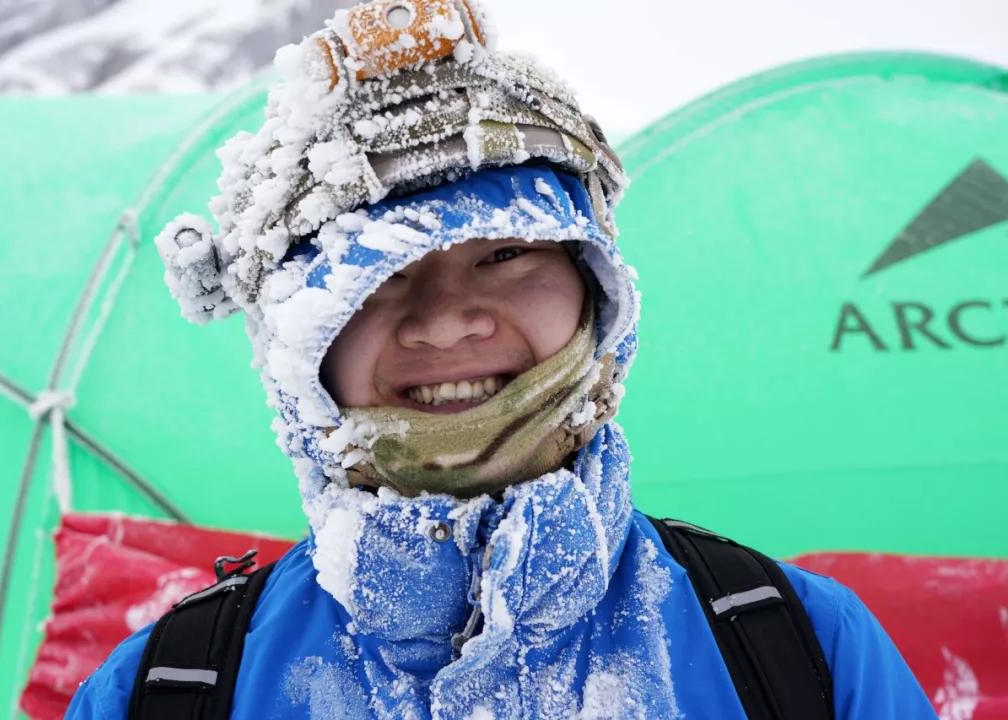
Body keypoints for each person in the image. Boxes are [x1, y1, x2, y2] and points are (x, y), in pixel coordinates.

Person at [66, 1, 937, 718]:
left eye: (504, 255)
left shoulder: (794, 649)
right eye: (372, 281)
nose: (443, 324)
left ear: (596, 294)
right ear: (296, 351)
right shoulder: (169, 689)